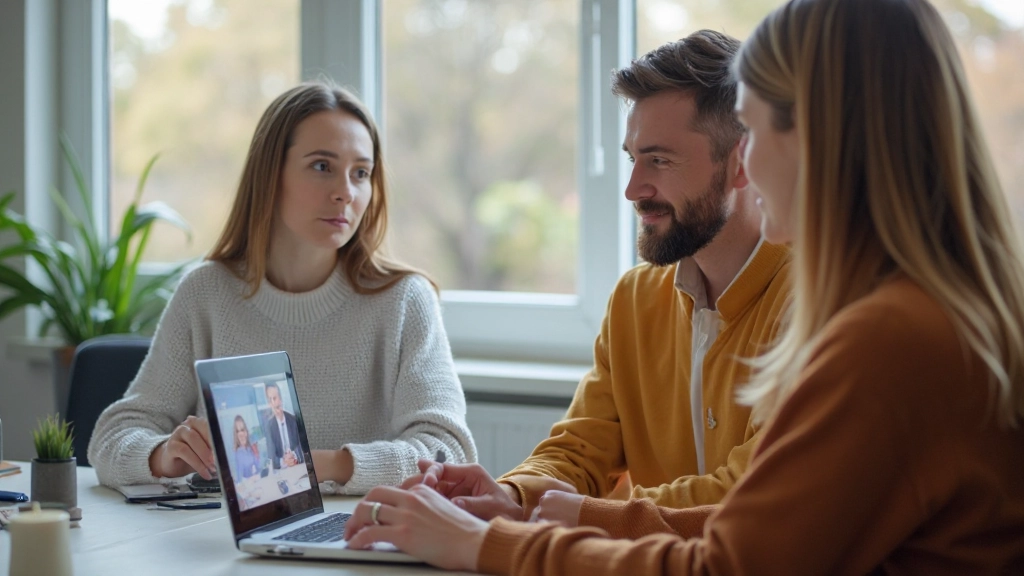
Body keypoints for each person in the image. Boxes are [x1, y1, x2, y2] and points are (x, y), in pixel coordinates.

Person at [340, 0, 1024, 573]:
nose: (752, 160)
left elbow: (727, 560)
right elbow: (755, 535)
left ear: (819, 137)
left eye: (753, 130)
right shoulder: (922, 313)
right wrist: (525, 503)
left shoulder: (888, 336)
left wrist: (484, 544)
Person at [432, 30, 790, 531]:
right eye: (633, 158)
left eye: (660, 160)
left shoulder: (813, 297)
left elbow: (751, 489)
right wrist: (512, 494)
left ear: (742, 162)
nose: (632, 189)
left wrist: (583, 515)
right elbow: (579, 450)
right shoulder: (635, 299)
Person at [88, 81, 477, 494]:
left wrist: (316, 465)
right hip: (222, 544)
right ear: (270, 175)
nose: (345, 191)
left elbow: (446, 452)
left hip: (361, 536)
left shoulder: (403, 301)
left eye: (360, 173)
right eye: (322, 166)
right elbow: (113, 437)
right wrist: (163, 455)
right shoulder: (205, 294)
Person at [262, 382, 302, 469]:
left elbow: (302, 446)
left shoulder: (293, 420)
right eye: (270, 400)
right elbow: (272, 457)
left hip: (297, 466)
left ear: (280, 399)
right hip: (282, 471)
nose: (273, 403)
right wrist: (284, 461)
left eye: (275, 398)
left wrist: (294, 456)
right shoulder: (269, 427)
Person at [231, 415, 260, 479]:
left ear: (246, 431)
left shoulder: (252, 447)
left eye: (242, 430)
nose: (241, 434)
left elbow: (259, 467)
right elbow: (239, 478)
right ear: (236, 435)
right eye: (237, 431)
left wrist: (256, 451)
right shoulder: (237, 453)